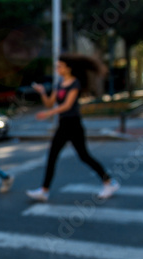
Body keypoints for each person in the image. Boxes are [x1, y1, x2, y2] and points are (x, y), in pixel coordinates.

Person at [26, 54, 119, 202]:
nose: (57, 69)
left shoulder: (75, 83)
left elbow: (67, 105)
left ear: (68, 68)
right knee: (52, 156)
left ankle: (109, 182)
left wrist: (48, 113)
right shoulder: (60, 83)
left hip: (74, 124)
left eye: (59, 66)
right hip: (63, 125)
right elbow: (50, 103)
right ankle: (44, 190)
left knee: (84, 156)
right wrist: (43, 92)